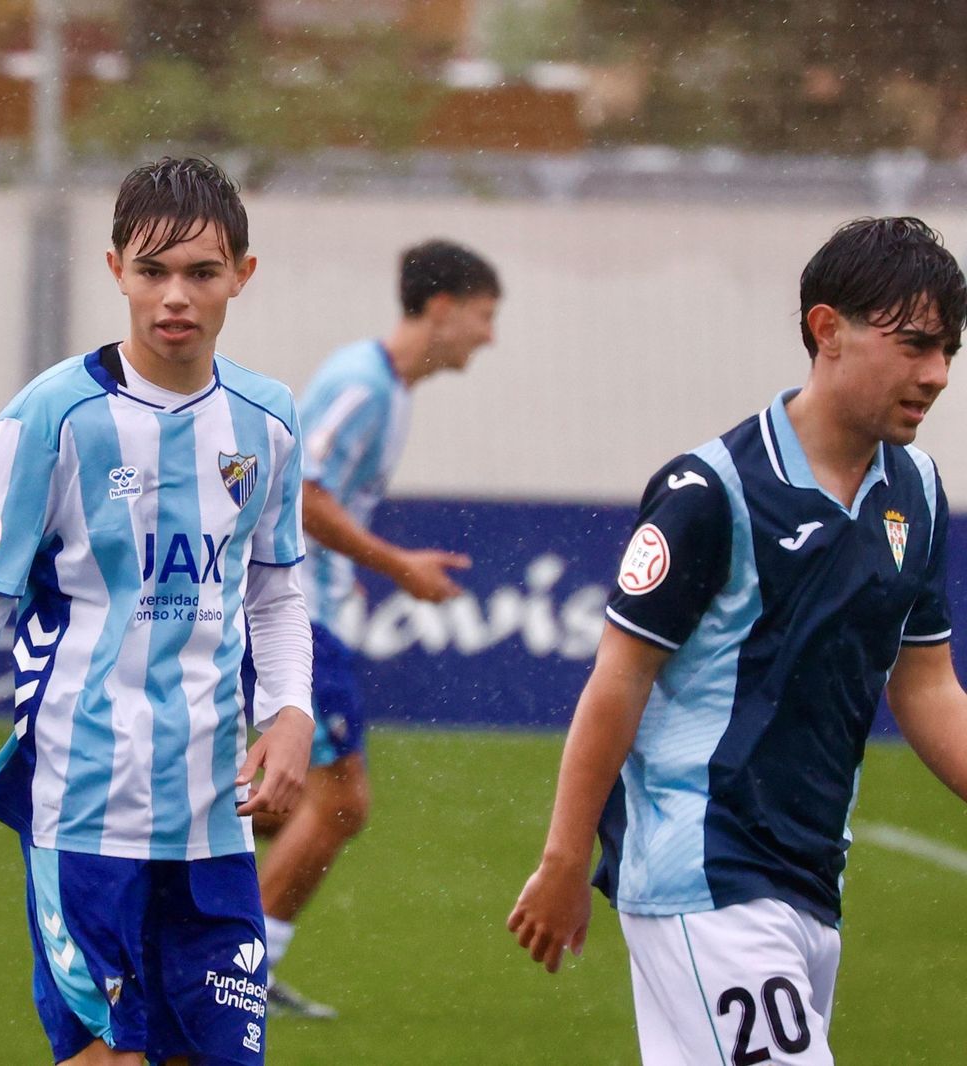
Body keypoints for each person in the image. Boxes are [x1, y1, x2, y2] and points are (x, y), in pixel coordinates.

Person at [0, 156, 315, 1066]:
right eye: (152, 270)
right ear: (115, 268)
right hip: (84, 807)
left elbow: (276, 592)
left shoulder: (269, 421)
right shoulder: (49, 418)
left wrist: (291, 711)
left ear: (243, 274)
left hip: (213, 819)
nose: (175, 296)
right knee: (109, 1059)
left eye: (202, 272)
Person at [507, 216, 967, 1064]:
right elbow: (619, 679)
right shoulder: (712, 491)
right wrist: (566, 859)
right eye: (914, 345)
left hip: (808, 881)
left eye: (949, 350)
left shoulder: (918, 492)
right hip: (705, 869)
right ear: (827, 330)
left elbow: (927, 686)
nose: (937, 374)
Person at [257, 240, 500, 1020]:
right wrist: (395, 564)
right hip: (296, 616)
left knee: (279, 801)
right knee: (339, 804)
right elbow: (299, 494)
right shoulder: (362, 383)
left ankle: (187, 919)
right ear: (442, 309)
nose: (489, 336)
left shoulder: (390, 388)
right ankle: (239, 972)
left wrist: (363, 562)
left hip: (307, 609)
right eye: (484, 316)